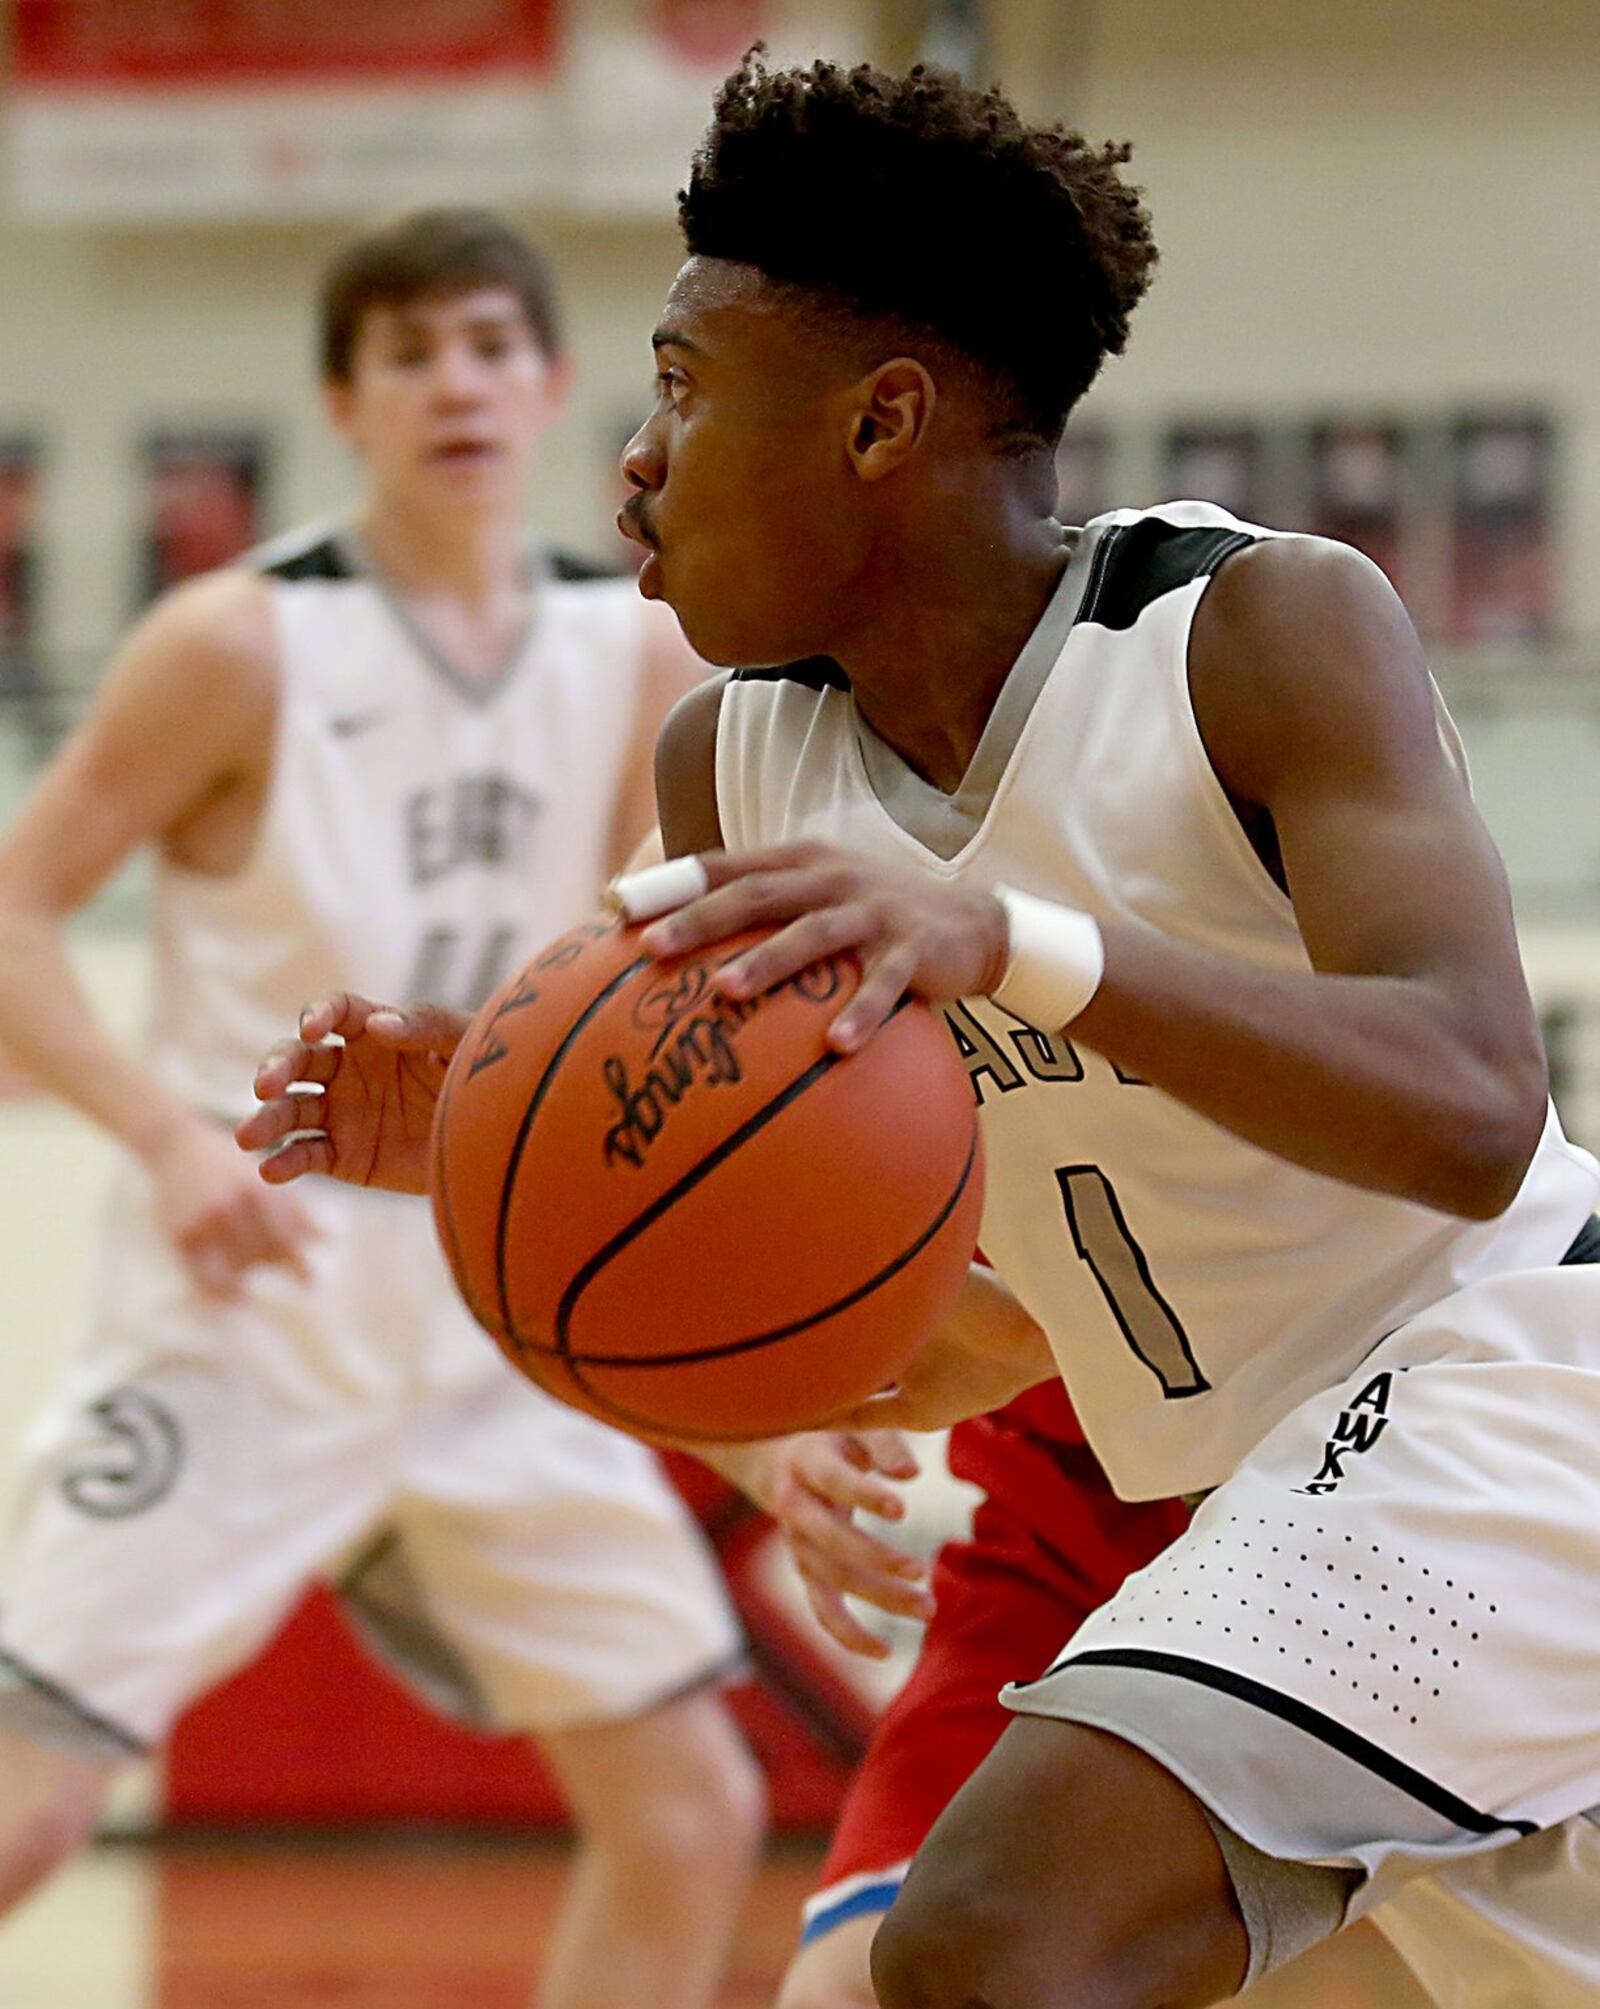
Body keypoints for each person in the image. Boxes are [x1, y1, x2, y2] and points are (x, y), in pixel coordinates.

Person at [240, 58, 1600, 2008]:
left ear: (880, 423)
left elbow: (1476, 1109)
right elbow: (960, 1320)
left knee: (982, 1945)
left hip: (1511, 1395)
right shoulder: (736, 768)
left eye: (682, 390)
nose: (630, 461)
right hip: (1240, 1482)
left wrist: (1016, 944)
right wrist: (480, 1156)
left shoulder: (1251, 633)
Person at [0, 208, 763, 2009]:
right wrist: (170, 1134)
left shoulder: (638, 652)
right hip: (248, 1294)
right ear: (344, 402)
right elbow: (14, 902)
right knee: (30, 1806)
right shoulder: (235, 641)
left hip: (492, 1297)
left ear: (558, 386)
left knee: (690, 1812)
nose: (458, 384)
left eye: (492, 345)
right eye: (410, 353)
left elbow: (624, 1004)